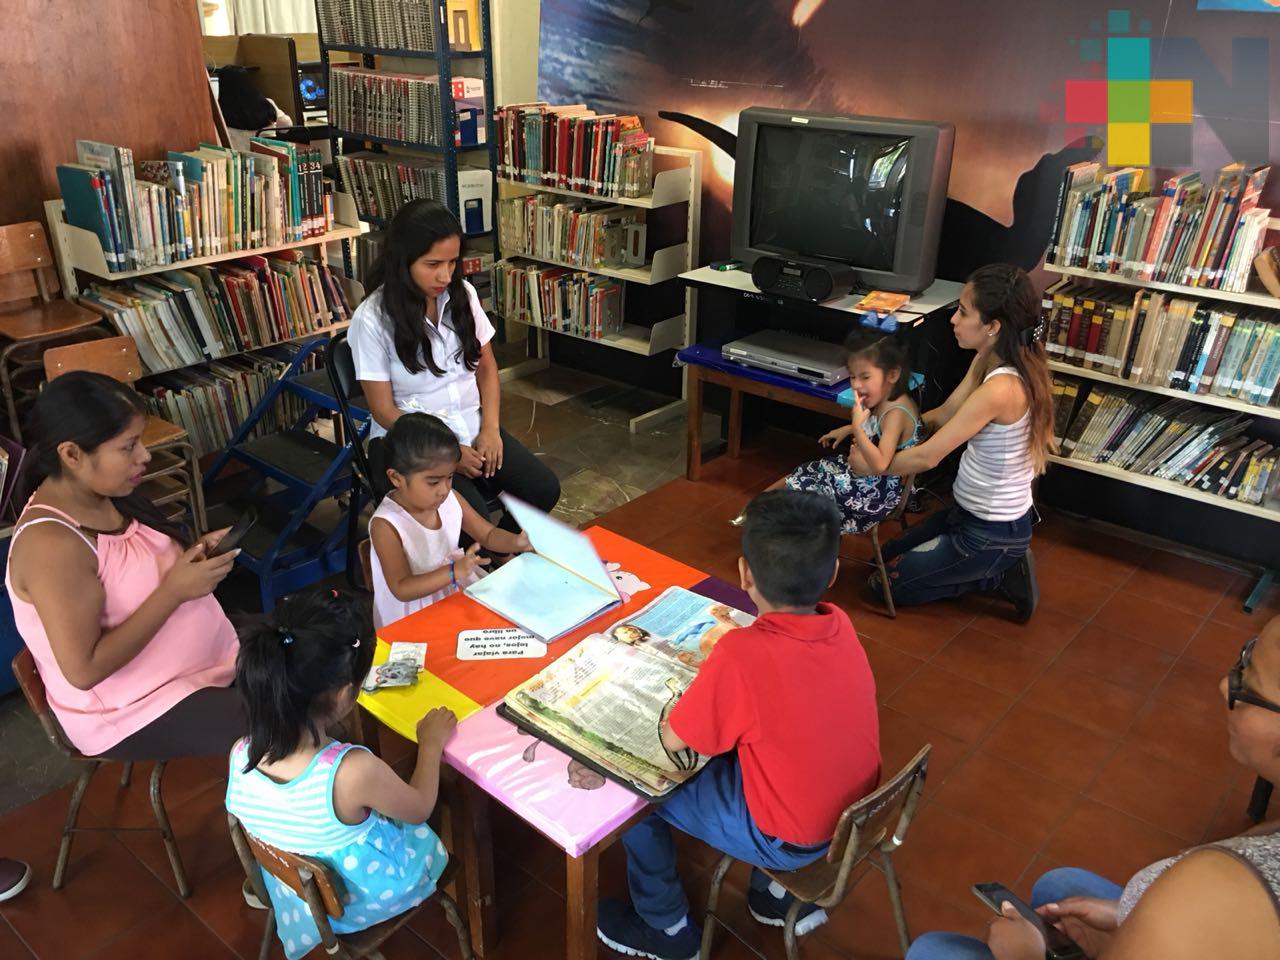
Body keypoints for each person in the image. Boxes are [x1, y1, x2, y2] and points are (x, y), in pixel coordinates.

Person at [596, 490, 882, 960]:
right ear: (832, 573)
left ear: (744, 573)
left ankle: (665, 928)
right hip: (855, 820)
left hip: (791, 842)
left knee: (630, 781)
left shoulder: (741, 654)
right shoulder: (840, 624)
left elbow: (673, 740)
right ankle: (773, 896)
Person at [906, 615, 1280, 960]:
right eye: (1245, 657)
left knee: (932, 950)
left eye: (1249, 685)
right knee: (1060, 885)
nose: (1223, 685)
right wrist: (1127, 916)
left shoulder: (1216, 890)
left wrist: (1027, 957)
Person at [6, 372, 244, 760]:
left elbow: (129, 570)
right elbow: (84, 671)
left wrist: (192, 560)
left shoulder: (102, 493)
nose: (144, 456)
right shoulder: (51, 546)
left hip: (197, 667)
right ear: (71, 454)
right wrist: (175, 591)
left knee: (319, 658)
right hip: (134, 710)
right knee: (291, 728)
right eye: (128, 446)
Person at [224, 589, 457, 960]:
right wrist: (429, 746)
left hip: (300, 899)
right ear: (344, 693)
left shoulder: (242, 752)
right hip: (357, 904)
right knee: (447, 805)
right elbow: (419, 809)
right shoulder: (351, 771)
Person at [350, 198, 560, 533]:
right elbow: (383, 411)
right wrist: (448, 454)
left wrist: (490, 429)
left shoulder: (462, 294)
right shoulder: (373, 319)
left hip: (471, 425)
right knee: (465, 522)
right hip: (411, 443)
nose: (445, 275)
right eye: (432, 264)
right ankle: (487, 558)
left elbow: (486, 368)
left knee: (543, 489)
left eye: (451, 262)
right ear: (403, 262)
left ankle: (497, 553)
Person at [868, 264, 1055, 622]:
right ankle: (982, 566)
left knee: (883, 584)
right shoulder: (988, 359)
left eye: (964, 312)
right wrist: (881, 429)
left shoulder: (1002, 390)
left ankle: (997, 574)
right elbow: (941, 415)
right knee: (884, 553)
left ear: (993, 327)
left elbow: (929, 456)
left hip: (990, 533)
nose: (954, 319)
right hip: (965, 515)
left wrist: (871, 462)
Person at [737, 331, 921, 534]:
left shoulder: (895, 413)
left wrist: (857, 428)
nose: (856, 385)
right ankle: (755, 508)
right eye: (852, 376)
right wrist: (849, 429)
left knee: (805, 493)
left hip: (873, 494)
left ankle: (772, 527)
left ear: (893, 374)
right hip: (863, 477)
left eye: (865, 377)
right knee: (809, 470)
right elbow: (879, 429)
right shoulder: (889, 399)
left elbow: (880, 464)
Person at [369, 412, 532, 628]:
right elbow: (401, 587)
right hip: (413, 614)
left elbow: (488, 534)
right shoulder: (386, 525)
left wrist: (517, 542)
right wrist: (453, 572)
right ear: (396, 478)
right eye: (433, 482)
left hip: (452, 589)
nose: (444, 490)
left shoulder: (451, 499)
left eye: (450, 477)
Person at [216, 64, 293, 153]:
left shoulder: (219, 110)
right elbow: (286, 127)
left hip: (238, 161)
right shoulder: (267, 103)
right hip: (270, 159)